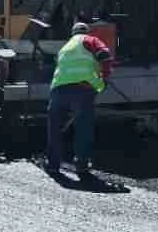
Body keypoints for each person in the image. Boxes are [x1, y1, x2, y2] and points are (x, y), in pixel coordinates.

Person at [46, 21, 112, 179]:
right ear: (86, 32)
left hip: (58, 90)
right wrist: (105, 77)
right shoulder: (90, 40)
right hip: (82, 89)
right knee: (83, 128)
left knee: (54, 128)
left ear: (72, 33)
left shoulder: (64, 48)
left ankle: (53, 164)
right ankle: (81, 165)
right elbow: (105, 55)